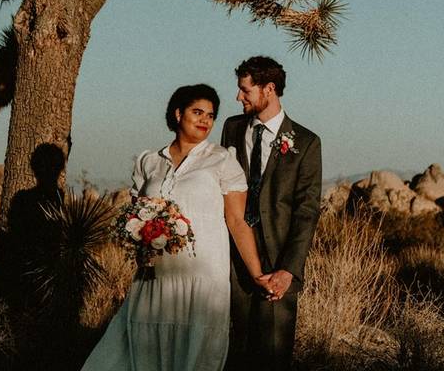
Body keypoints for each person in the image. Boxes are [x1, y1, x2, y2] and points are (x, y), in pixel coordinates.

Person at [82, 84, 275, 371]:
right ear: (177, 113)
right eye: (197, 112)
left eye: (210, 115)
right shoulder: (149, 161)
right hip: (155, 276)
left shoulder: (222, 159)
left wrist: (257, 273)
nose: (205, 121)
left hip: (202, 279)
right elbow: (138, 214)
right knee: (130, 351)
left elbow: (236, 221)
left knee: (193, 355)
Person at [221, 56, 323, 371]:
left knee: (273, 357)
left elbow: (307, 210)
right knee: (234, 352)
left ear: (269, 89)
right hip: (235, 258)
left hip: (279, 263)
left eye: (245, 90)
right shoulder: (232, 128)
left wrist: (288, 270)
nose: (238, 97)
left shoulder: (306, 143)